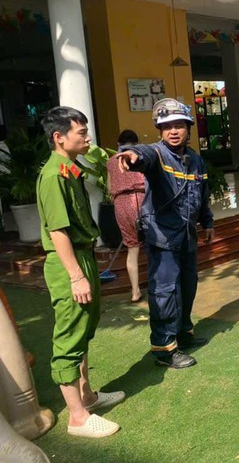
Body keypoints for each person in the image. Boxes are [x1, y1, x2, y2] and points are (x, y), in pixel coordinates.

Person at [36, 106, 124, 438]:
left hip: (83, 255)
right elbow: (58, 232)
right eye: (81, 132)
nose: (87, 137)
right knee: (70, 335)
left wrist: (98, 153)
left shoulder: (71, 167)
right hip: (67, 262)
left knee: (85, 328)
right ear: (58, 137)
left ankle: (87, 396)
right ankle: (77, 417)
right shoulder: (53, 176)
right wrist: (75, 275)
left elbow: (107, 169)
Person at [116, 98, 214, 370]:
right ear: (159, 131)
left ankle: (183, 333)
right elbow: (143, 155)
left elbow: (201, 195)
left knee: (187, 286)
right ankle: (164, 348)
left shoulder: (194, 159)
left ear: (188, 129)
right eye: (166, 126)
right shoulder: (156, 154)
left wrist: (208, 223)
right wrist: (133, 156)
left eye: (178, 126)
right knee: (165, 292)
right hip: (163, 238)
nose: (173, 131)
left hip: (187, 236)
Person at [107, 130, 146, 303]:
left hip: (120, 204)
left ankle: (135, 291)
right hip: (141, 200)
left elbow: (109, 188)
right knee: (153, 243)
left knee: (132, 248)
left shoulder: (111, 162)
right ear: (136, 143)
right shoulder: (139, 157)